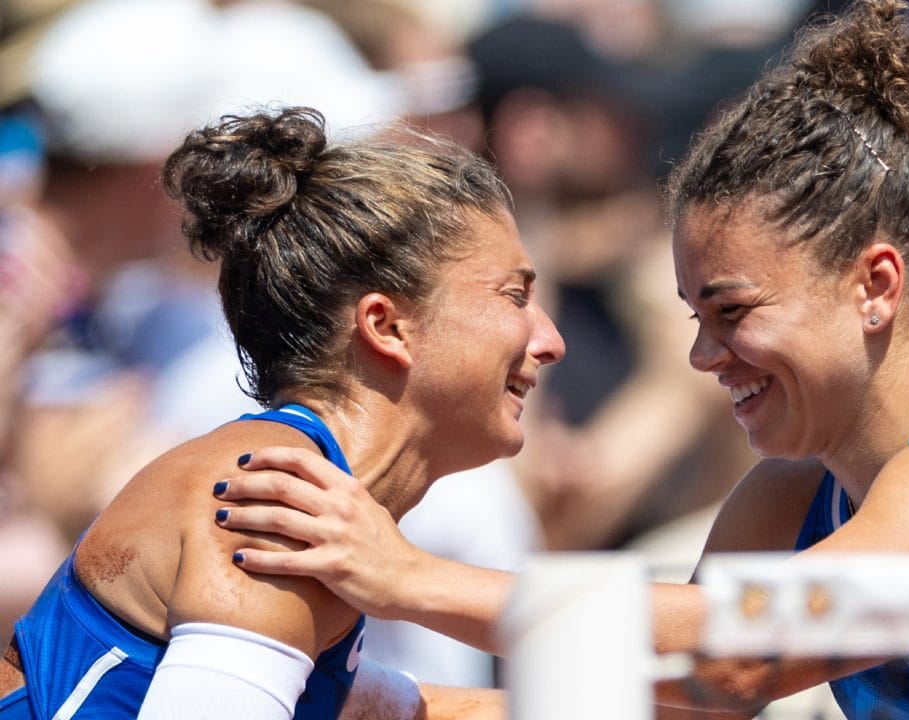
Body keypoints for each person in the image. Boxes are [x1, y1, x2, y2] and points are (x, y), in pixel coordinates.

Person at [209, 2, 909, 718]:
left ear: (875, 286)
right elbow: (680, 697)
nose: (704, 357)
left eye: (731, 310)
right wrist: (384, 701)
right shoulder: (780, 503)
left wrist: (400, 577)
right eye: (689, 314)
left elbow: (744, 651)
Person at [0, 106, 564, 719]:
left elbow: (410, 709)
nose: (550, 340)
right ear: (387, 325)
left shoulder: (300, 501)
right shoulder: (275, 503)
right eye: (515, 296)